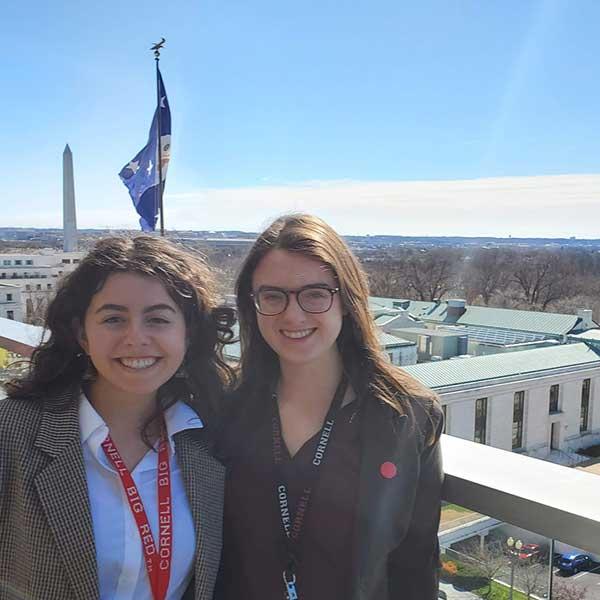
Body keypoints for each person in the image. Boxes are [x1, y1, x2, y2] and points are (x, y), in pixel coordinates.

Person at [218, 214, 444, 600]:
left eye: (315, 293)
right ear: (252, 305)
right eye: (272, 296)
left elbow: (416, 563)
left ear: (346, 300)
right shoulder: (224, 405)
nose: (293, 315)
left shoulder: (406, 416)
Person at [0, 236, 234, 600]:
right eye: (113, 319)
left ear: (188, 335)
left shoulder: (208, 441)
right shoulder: (13, 431)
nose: (135, 338)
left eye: (157, 319)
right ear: (82, 335)